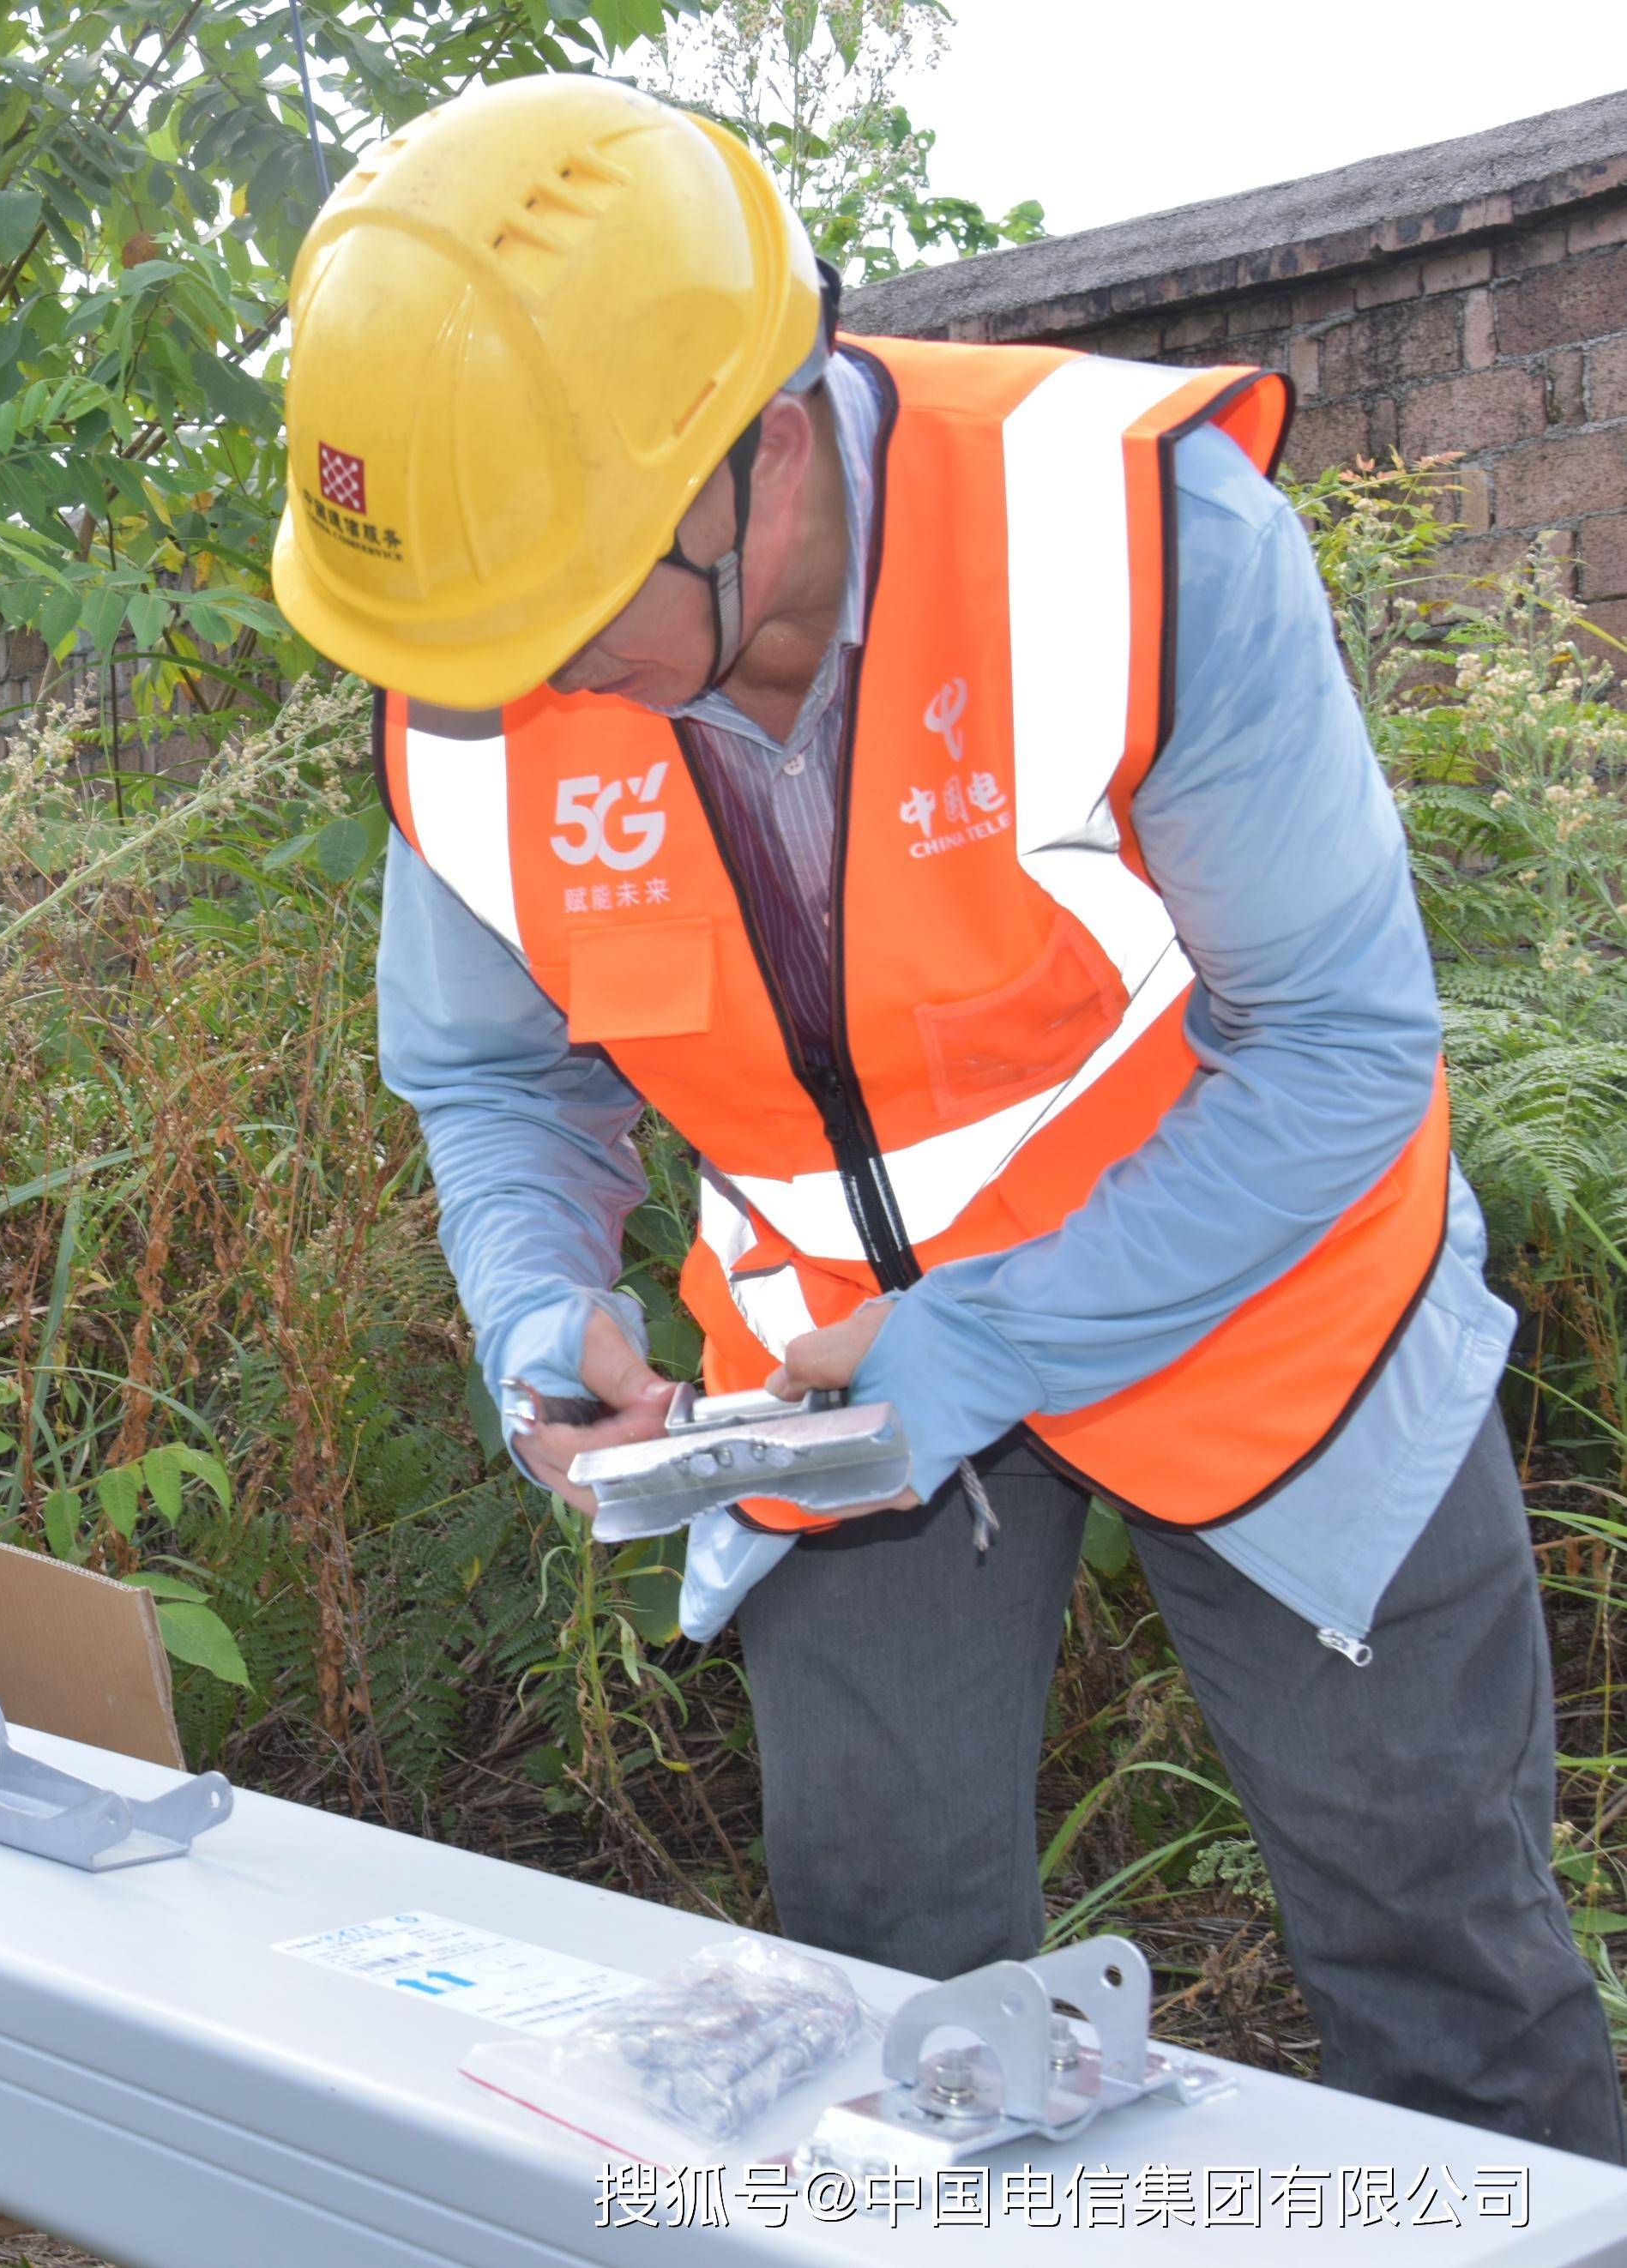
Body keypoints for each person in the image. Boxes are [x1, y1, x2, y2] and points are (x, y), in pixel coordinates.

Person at [273, 75, 1624, 2159]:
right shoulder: (466, 661)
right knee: (881, 1993)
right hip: (832, 1372)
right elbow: (491, 1071)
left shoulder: (1127, 537)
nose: (504, 686)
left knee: (1440, 1969)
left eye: (560, 613)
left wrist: (984, 1333)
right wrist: (534, 1306)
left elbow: (1343, 1052)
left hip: (1265, 1315)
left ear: (766, 459)